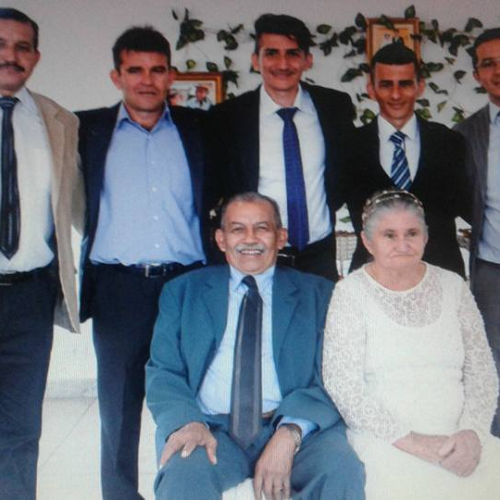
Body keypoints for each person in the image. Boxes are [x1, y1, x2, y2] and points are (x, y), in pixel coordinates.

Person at [146, 192, 365, 500]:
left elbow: (336, 377)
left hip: (295, 427)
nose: (250, 239)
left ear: (281, 237)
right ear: (221, 239)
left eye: (262, 228)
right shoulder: (183, 292)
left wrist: (290, 432)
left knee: (340, 470)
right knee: (182, 475)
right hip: (211, 427)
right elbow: (163, 370)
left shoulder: (320, 295)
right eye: (238, 229)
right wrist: (188, 422)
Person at [77, 26, 213, 500]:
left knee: (191, 398)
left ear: (171, 75)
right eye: (135, 70)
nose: (147, 80)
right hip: (118, 289)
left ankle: (185, 490)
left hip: (188, 284)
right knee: (119, 407)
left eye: (157, 70)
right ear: (117, 76)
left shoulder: (201, 130)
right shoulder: (85, 130)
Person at [323, 189, 500, 500]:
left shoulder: (454, 286)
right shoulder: (350, 293)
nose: (402, 244)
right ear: (367, 241)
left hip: (460, 437)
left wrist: (472, 434)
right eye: (389, 235)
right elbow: (343, 386)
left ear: (426, 237)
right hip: (386, 441)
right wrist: (417, 443)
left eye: (412, 233)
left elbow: (482, 371)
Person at [0, 8, 83, 499]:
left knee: (20, 428)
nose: (10, 55)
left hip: (28, 299)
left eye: (22, 47)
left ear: (35, 56)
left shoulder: (58, 121)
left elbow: (77, 206)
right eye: (1, 44)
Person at [209, 13, 355, 282]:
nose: (283, 64)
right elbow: (215, 190)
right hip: (255, 256)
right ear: (256, 60)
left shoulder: (335, 107)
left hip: (319, 257)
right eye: (272, 53)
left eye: (293, 53)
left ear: (307, 60)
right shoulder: (228, 117)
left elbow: (346, 173)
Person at [344, 43, 470, 277]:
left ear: (419, 87)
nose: (395, 95)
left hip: (441, 275)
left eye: (404, 84)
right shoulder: (349, 146)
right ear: (371, 88)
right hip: (372, 278)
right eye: (386, 84)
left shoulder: (449, 142)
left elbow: (470, 205)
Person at [454, 27, 500, 438]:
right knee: (493, 362)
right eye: (488, 63)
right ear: (477, 74)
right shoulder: (467, 134)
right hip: (491, 268)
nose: (498, 70)